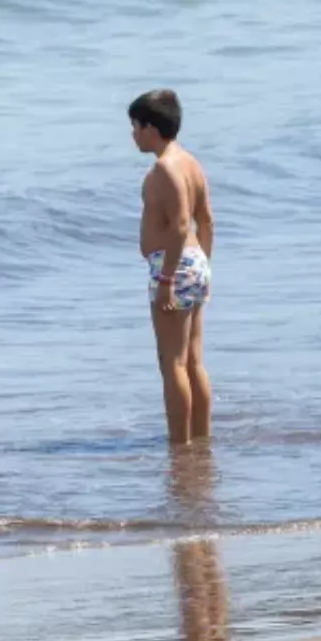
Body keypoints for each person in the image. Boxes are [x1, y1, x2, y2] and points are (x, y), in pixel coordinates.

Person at [130, 89, 216, 446]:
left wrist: (167, 278)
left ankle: (181, 446)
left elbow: (181, 225)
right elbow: (206, 220)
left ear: (150, 128)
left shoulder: (165, 168)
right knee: (193, 361)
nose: (133, 135)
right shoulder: (190, 162)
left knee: (173, 363)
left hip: (173, 267)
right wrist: (203, 266)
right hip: (194, 263)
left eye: (135, 127)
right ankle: (201, 440)